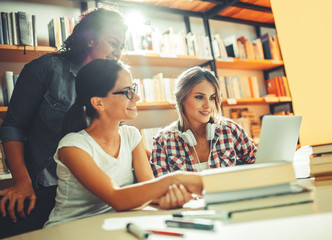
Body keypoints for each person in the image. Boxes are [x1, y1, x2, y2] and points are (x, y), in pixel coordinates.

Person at [0, 7, 128, 237]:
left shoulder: (110, 84)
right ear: (90, 39)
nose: (117, 53)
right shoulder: (46, 68)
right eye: (112, 42)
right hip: (48, 188)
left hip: (94, 190)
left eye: (122, 47)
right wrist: (22, 181)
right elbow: (13, 126)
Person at [43, 59, 203, 227]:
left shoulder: (131, 135)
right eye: (127, 92)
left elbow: (148, 189)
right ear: (98, 102)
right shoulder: (72, 146)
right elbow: (117, 197)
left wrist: (165, 199)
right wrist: (176, 179)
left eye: (133, 89)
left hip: (113, 224)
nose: (137, 97)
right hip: (69, 229)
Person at [150, 66, 257, 177]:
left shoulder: (231, 130)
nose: (208, 105)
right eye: (199, 97)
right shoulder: (162, 141)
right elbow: (161, 188)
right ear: (181, 99)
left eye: (212, 98)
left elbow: (259, 162)